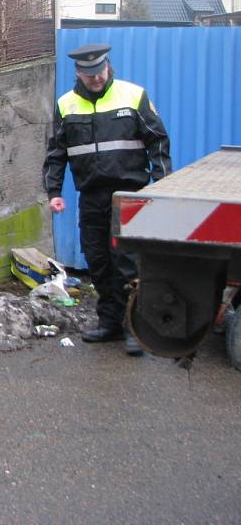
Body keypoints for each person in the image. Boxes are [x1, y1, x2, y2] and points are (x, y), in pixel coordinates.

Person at [43, 43, 171, 356]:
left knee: (127, 263)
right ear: (78, 73)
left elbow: (157, 140)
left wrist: (161, 183)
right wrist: (54, 192)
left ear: (107, 66)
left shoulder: (132, 95)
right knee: (98, 261)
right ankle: (109, 323)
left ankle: (133, 329)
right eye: (89, 75)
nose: (96, 78)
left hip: (129, 194)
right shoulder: (66, 105)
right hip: (91, 195)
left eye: (99, 72)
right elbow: (56, 153)